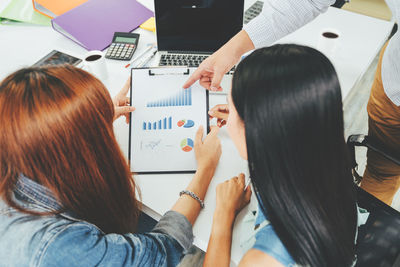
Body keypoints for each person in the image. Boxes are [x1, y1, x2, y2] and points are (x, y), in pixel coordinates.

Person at [183, 0, 400, 209]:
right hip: (394, 82)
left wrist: (223, 212)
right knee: (383, 174)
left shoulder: (276, 225)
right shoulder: (313, 171)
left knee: (384, 173)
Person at [0, 65, 221, 266]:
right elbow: (160, 253)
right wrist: (205, 170)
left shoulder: (17, 155)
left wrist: (92, 117)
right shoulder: (61, 246)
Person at [203, 45, 362, 267]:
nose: (228, 120)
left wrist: (223, 214)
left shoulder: (263, 261)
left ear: (259, 130)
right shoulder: (325, 154)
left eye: (233, 109)